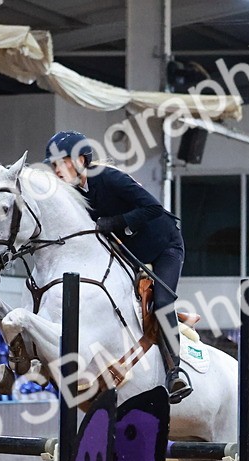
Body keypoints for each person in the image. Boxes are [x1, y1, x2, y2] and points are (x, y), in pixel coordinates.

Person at [43, 130, 192, 403]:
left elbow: (153, 208)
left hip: (165, 246)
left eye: (60, 163)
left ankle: (175, 373)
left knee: (161, 301)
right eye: (52, 166)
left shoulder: (108, 178)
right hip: (130, 251)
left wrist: (114, 222)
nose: (56, 170)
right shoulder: (74, 196)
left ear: (80, 160)